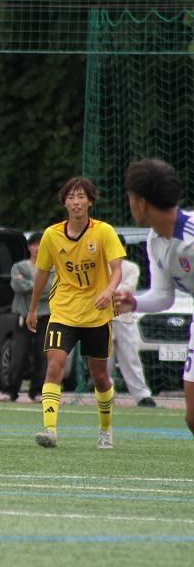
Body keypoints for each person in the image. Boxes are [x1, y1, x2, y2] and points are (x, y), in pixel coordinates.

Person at [26, 176, 125, 449]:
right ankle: (50, 430)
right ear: (65, 203)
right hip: (63, 312)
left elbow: (117, 269)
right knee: (54, 365)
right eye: (71, 197)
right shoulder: (51, 234)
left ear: (90, 201)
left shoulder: (103, 231)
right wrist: (32, 308)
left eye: (81, 197)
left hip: (96, 314)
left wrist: (109, 291)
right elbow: (42, 273)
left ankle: (105, 429)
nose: (76, 202)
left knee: (100, 377)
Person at [114, 158, 194, 436]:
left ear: (141, 203)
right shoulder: (155, 239)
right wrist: (134, 302)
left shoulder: (191, 236)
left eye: (130, 197)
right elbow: (163, 295)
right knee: (192, 418)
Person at [1, 232, 50, 402]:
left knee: (42, 355)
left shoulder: (52, 268)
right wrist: (39, 286)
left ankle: (37, 391)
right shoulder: (19, 267)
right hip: (23, 316)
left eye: (41, 244)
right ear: (29, 247)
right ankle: (10, 390)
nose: (38, 248)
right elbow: (17, 285)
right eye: (34, 244)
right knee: (18, 354)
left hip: (44, 316)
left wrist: (30, 285)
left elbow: (51, 288)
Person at [108, 234, 154, 407]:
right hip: (102, 319)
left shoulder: (131, 268)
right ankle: (105, 394)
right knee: (104, 360)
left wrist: (108, 290)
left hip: (125, 318)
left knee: (131, 357)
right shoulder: (99, 267)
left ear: (124, 249)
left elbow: (128, 289)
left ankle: (142, 396)